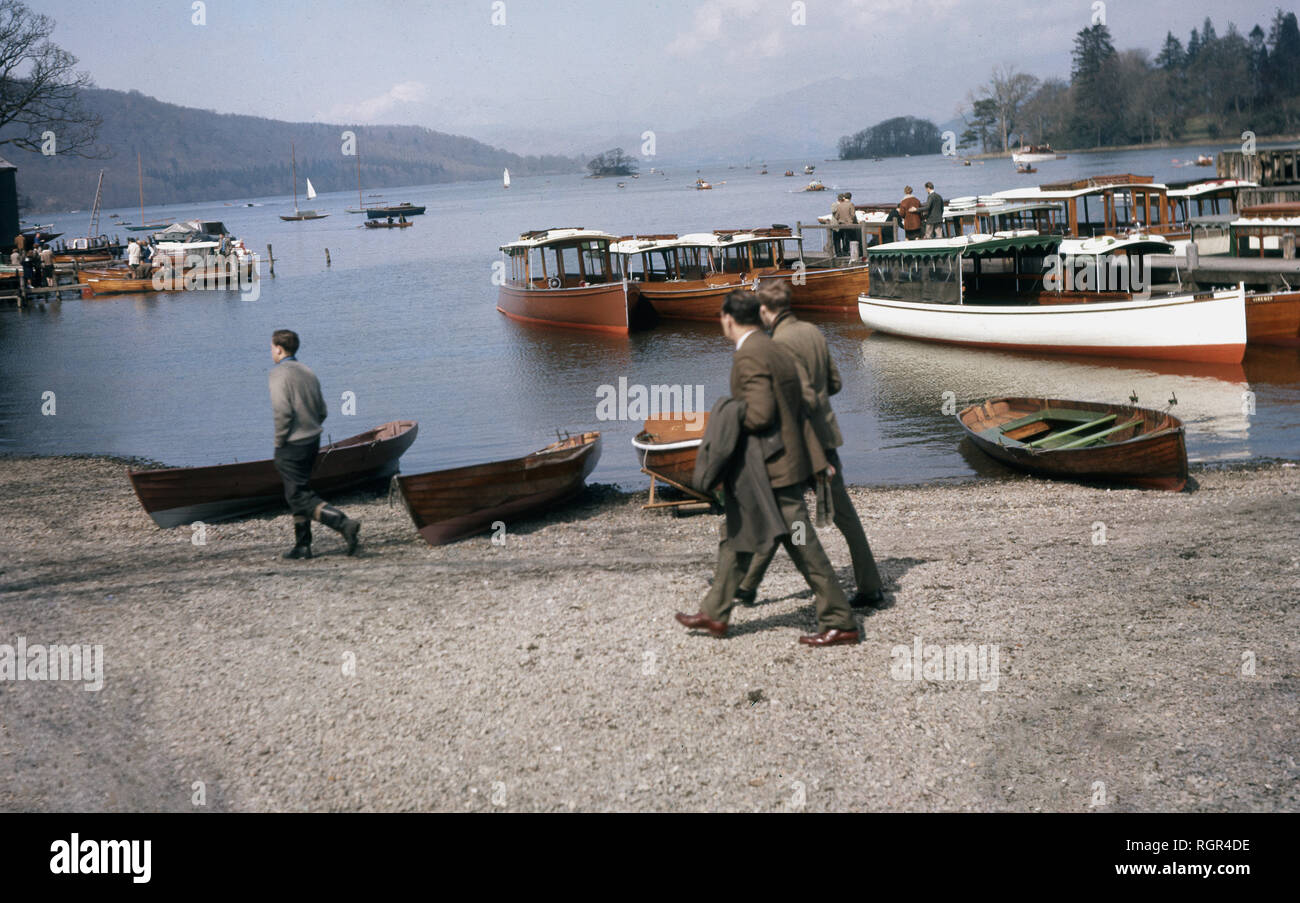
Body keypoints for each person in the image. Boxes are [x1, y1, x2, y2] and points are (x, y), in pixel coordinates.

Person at [675, 291, 859, 647]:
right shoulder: (775, 347)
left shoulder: (749, 355)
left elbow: (758, 414)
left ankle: (840, 621)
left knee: (804, 546)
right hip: (783, 463)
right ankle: (714, 613)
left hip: (771, 470)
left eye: (720, 318)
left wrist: (727, 410)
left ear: (728, 318)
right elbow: (805, 401)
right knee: (738, 536)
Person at [734, 280, 886, 610]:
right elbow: (834, 382)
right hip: (826, 437)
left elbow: (797, 397)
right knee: (840, 519)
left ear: (764, 310)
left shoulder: (779, 344)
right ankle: (870, 585)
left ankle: (746, 585)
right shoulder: (813, 332)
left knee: (779, 510)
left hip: (800, 444)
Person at [268, 329, 361, 559]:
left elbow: (283, 411)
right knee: (298, 491)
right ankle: (303, 545)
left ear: (279, 349)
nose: (271, 352)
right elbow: (322, 410)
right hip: (312, 440)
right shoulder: (308, 372)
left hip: (292, 442)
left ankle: (342, 523)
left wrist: (279, 441)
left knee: (297, 496)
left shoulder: (278, 375)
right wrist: (311, 426)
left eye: (271, 347)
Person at [830, 192, 856, 257]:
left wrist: (840, 219)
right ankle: (841, 252)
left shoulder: (840, 205)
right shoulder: (837, 205)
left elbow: (837, 215)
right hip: (839, 225)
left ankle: (842, 252)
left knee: (843, 238)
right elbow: (852, 215)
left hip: (840, 224)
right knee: (840, 239)